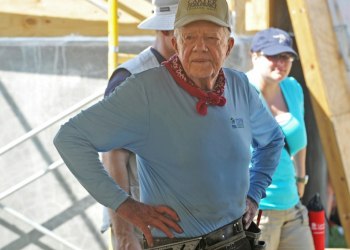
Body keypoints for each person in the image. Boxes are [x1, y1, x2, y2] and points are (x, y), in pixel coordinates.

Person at [54, 1, 284, 249]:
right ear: (176, 44)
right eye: (189, 37)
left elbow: (272, 140)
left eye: (211, 37)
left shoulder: (239, 86)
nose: (200, 47)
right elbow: (70, 138)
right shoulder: (144, 90)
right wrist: (125, 207)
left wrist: (254, 193)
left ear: (228, 46)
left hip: (238, 240)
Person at [100, 1, 178, 249]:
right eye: (191, 29)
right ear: (166, 30)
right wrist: (124, 235)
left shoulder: (192, 74)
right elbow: (113, 159)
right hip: (142, 228)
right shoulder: (130, 78)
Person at [246, 27, 315, 250]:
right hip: (258, 210)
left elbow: (299, 138)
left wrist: (301, 179)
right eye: (273, 55)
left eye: (286, 56)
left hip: (293, 206)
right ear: (254, 55)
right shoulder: (239, 91)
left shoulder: (292, 87)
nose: (281, 62)